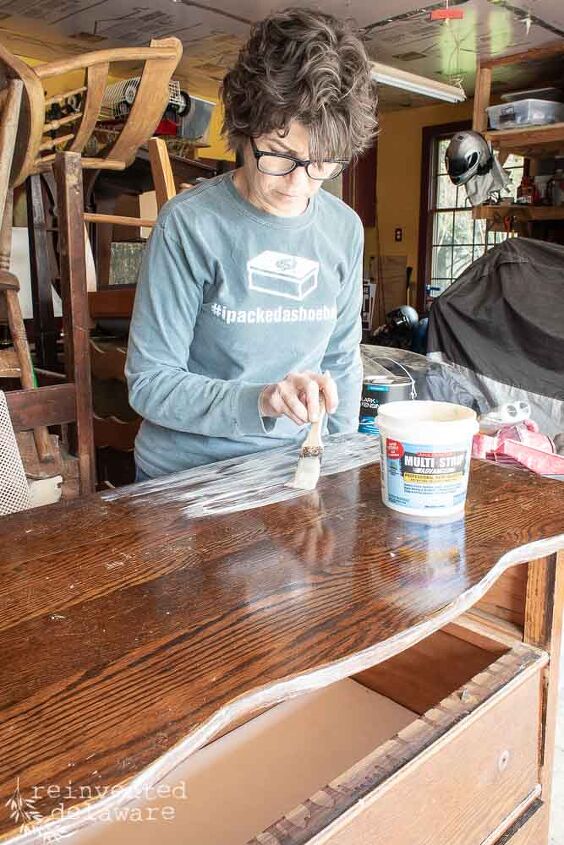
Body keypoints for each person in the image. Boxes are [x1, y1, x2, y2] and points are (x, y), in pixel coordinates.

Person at [126, 7, 377, 480]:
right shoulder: (190, 226)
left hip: (292, 468)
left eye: (322, 164)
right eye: (279, 156)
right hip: (188, 477)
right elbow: (150, 383)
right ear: (243, 133)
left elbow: (341, 360)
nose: (299, 185)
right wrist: (260, 399)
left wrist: (339, 463)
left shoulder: (344, 230)